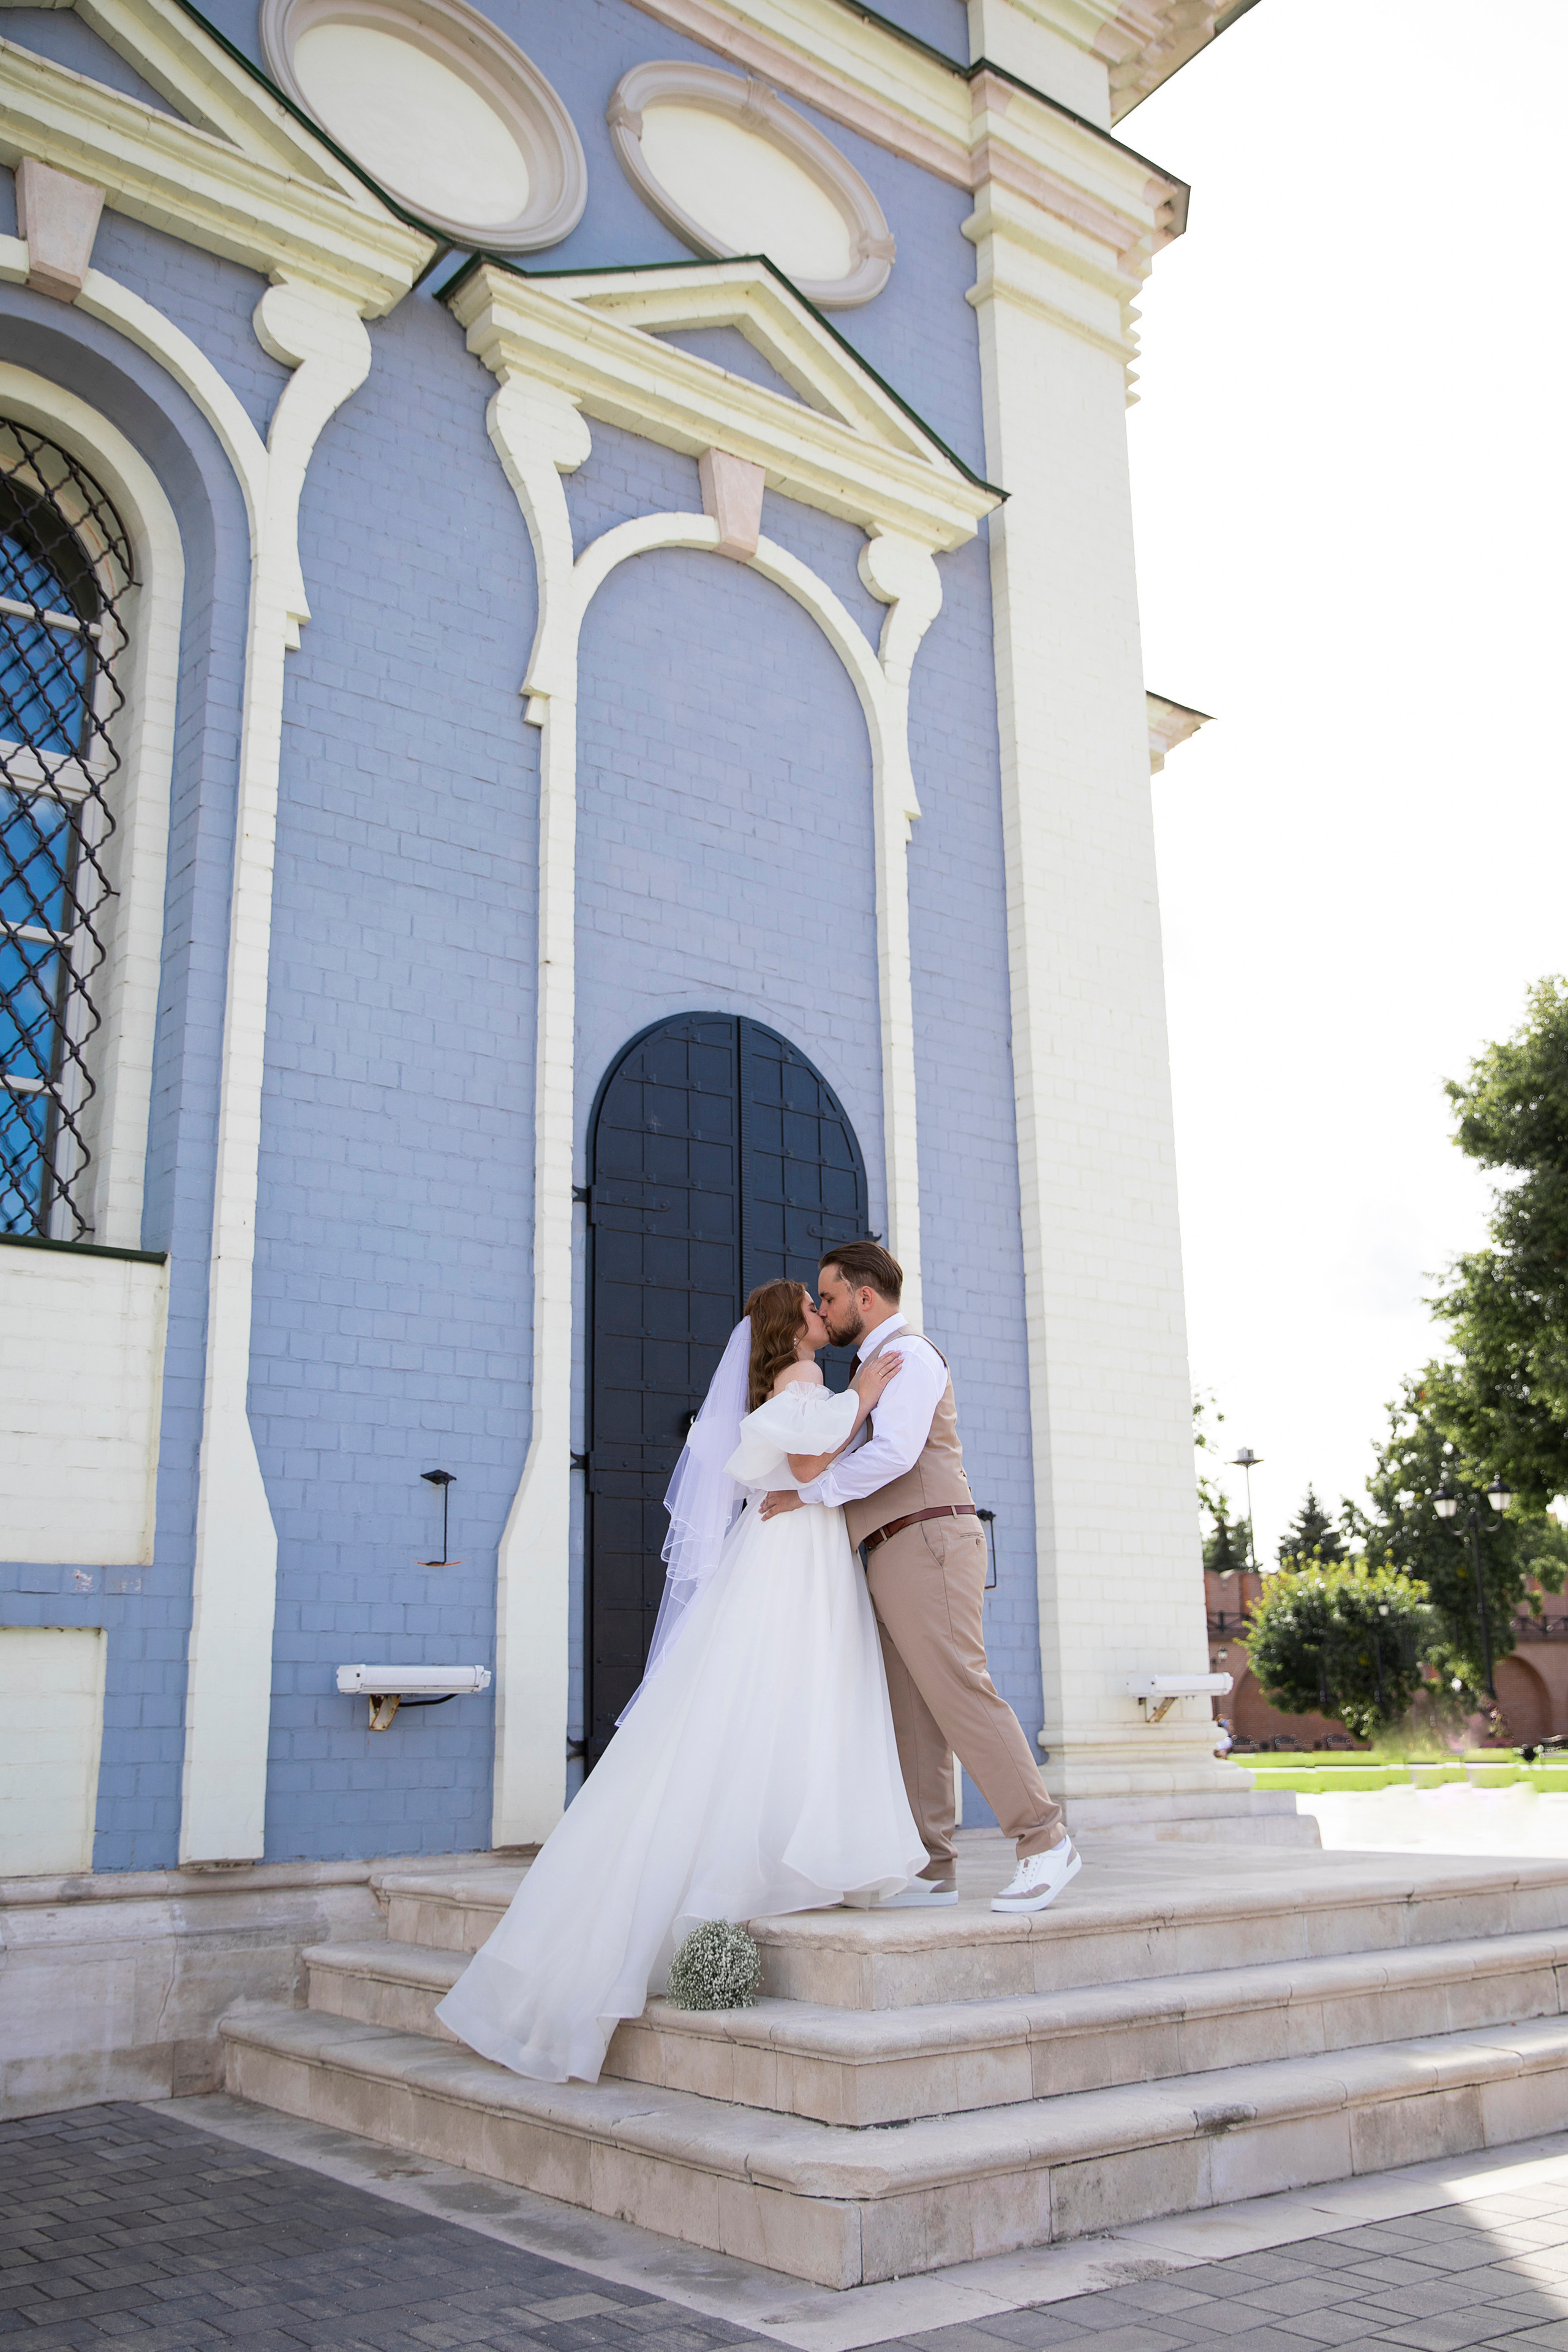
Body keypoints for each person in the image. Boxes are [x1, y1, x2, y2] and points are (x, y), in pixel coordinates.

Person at [435, 1277, 927, 2084]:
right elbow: (807, 1461)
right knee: (795, 1693)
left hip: (787, 1549)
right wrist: (864, 1399)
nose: (818, 1309)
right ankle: (789, 1848)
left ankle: (785, 1843)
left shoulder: (787, 1381)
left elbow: (790, 1465)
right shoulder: (804, 1380)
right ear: (790, 1324)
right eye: (809, 1303)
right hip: (794, 1556)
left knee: (767, 1700)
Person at [761, 1240, 1077, 1915]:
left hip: (927, 1537)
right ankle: (932, 1867)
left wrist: (810, 1496)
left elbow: (898, 1454)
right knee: (914, 1713)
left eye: (831, 1296)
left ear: (865, 1297)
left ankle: (1043, 1840)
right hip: (887, 1547)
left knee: (959, 1690)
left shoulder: (910, 1357)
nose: (823, 1307)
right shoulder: (872, 1366)